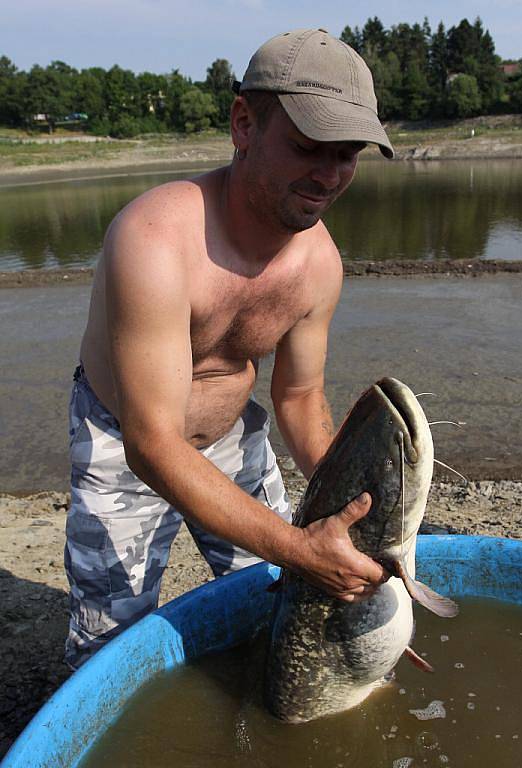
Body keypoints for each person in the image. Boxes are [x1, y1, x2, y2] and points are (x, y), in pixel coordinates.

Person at [64, 28, 395, 669]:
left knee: (267, 605)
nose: (329, 176)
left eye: (348, 153)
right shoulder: (154, 239)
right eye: (308, 147)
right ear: (244, 123)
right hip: (120, 441)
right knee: (106, 641)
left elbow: (298, 398)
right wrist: (299, 547)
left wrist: (364, 505)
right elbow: (150, 443)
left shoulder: (320, 264)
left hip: (230, 437)